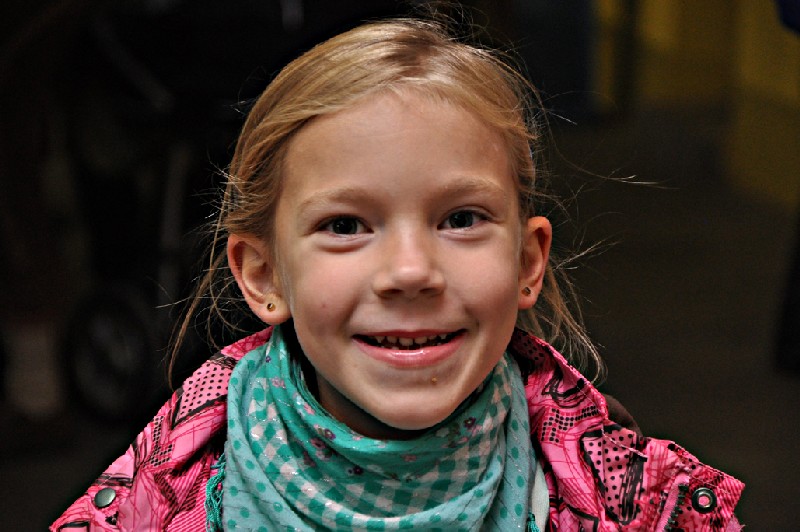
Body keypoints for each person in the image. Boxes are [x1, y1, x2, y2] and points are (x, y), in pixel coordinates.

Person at [52, 18, 744, 531]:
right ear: (263, 276)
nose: (410, 272)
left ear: (527, 262)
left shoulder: (627, 500)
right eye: (346, 226)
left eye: (461, 219)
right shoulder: (163, 501)